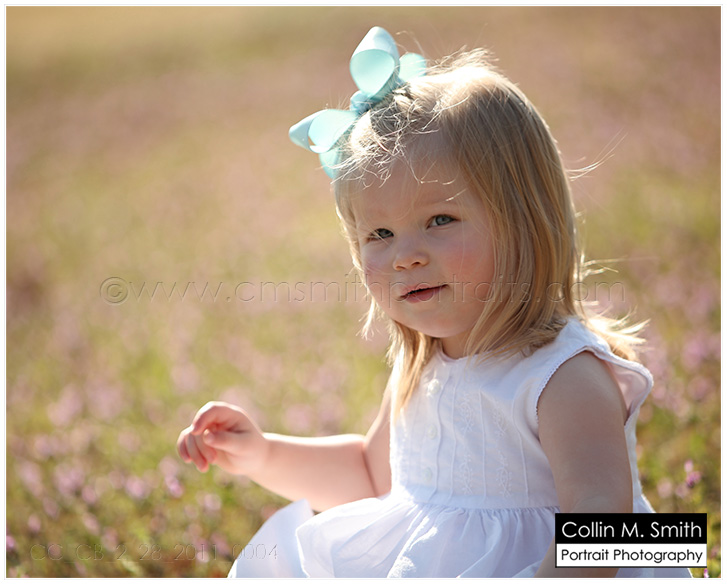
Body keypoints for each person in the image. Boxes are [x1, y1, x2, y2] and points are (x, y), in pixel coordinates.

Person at [177, 27, 692, 578]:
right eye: (379, 234)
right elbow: (370, 477)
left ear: (523, 221)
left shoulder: (561, 375)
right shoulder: (421, 364)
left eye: (439, 220)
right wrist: (262, 455)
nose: (405, 256)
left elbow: (609, 520)